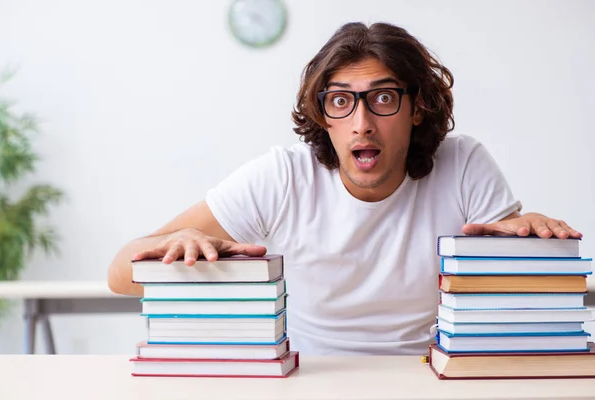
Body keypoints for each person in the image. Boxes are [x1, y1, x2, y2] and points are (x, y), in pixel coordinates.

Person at [108, 22, 582, 356]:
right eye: (340, 101)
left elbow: (514, 285)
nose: (362, 124)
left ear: (416, 107)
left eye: (382, 98)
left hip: (422, 379)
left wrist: (529, 235)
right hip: (306, 381)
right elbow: (118, 273)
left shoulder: (462, 164)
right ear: (323, 117)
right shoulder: (282, 178)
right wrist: (177, 246)